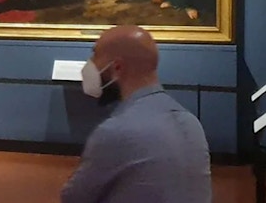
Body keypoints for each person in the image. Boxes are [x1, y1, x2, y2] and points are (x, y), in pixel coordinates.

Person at [61, 25, 211, 202]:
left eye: (95, 55)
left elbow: (74, 198)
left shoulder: (115, 131)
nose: (90, 64)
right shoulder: (191, 122)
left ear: (117, 67)